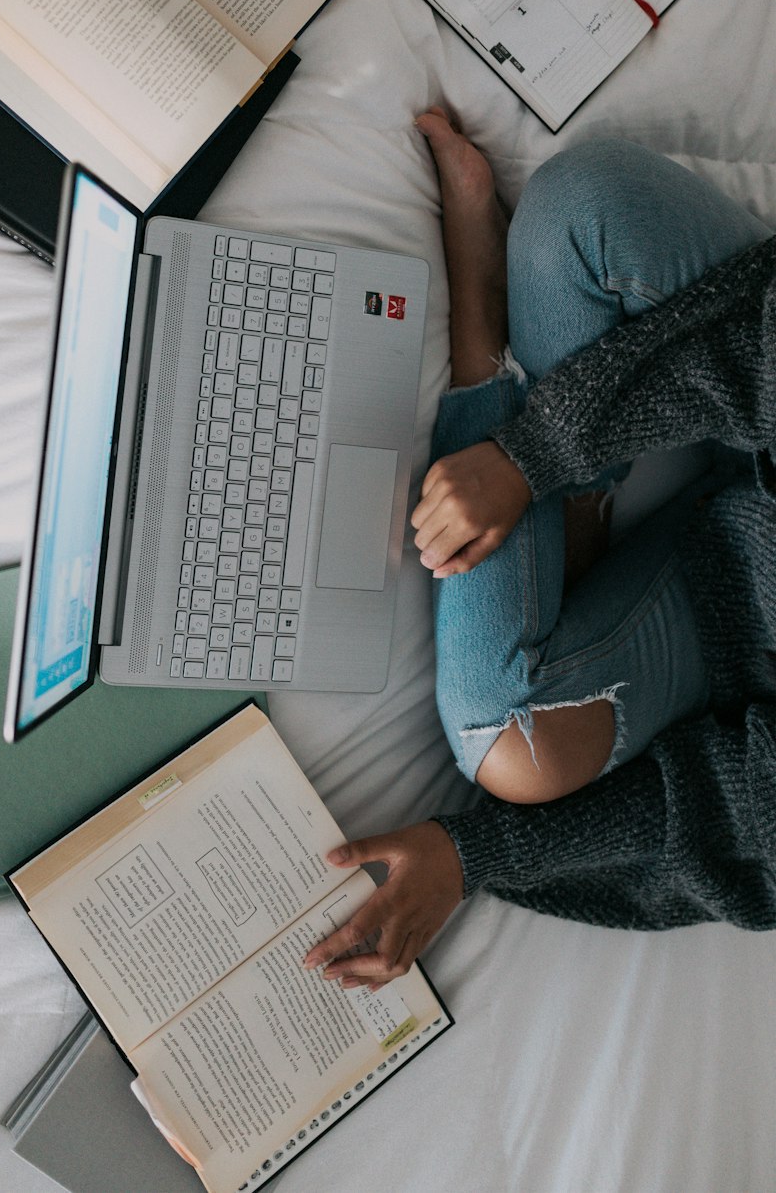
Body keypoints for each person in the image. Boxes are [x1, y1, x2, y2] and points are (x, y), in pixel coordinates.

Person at [303, 110, 776, 989]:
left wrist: (475, 853)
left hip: (737, 607)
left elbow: (743, 800)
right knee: (581, 205)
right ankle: (570, 493)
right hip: (760, 389)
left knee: (506, 738)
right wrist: (535, 456)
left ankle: (484, 348)